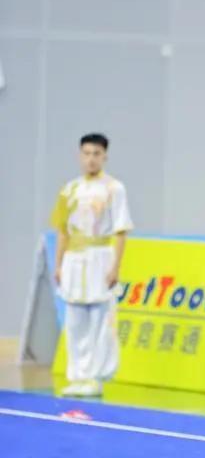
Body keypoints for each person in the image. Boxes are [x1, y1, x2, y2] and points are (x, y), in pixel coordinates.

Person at [51, 133, 133, 397]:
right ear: (80, 155)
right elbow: (62, 230)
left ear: (104, 156)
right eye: (86, 154)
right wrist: (58, 264)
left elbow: (121, 230)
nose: (91, 159)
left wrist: (115, 267)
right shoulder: (69, 190)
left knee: (99, 320)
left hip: (100, 256)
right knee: (75, 321)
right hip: (74, 259)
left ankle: (95, 376)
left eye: (96, 154)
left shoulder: (114, 188)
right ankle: (77, 376)